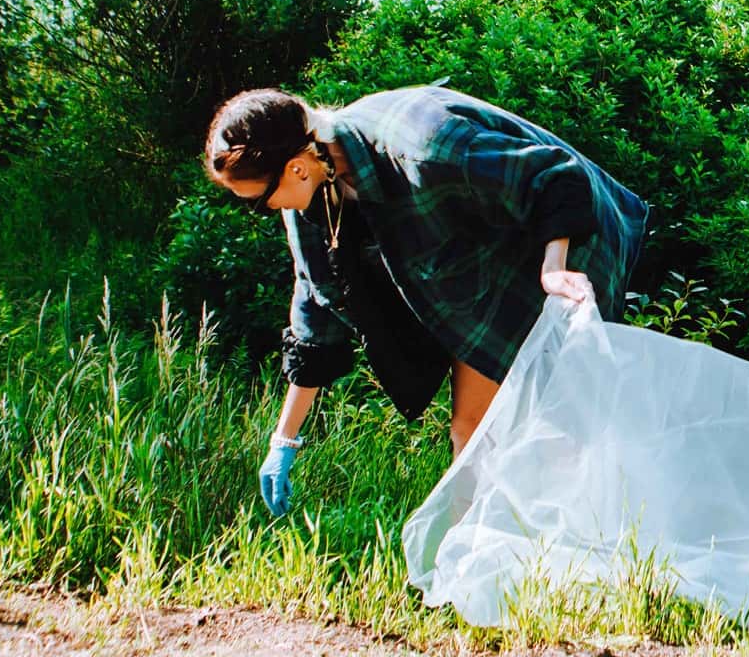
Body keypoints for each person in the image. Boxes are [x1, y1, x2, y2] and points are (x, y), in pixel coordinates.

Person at [203, 82, 650, 517]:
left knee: (564, 421)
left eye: (260, 200)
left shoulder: (424, 145)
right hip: (475, 276)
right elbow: (317, 312)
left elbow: (554, 178)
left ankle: (593, 536)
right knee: (470, 430)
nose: (265, 210)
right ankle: (472, 567)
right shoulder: (309, 203)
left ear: (297, 167)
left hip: (569, 244)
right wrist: (284, 441)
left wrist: (554, 267)